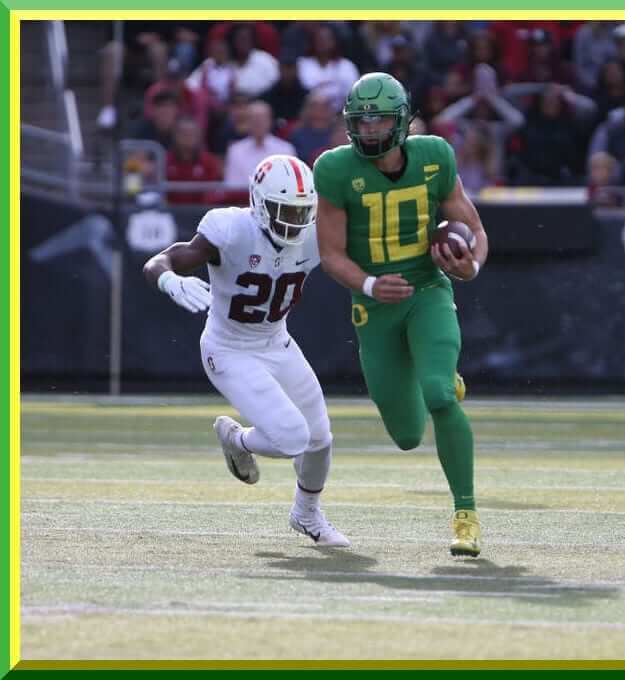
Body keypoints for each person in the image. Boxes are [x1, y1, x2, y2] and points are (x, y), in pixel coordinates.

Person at [313, 73, 489, 558]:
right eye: (361, 121)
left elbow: (472, 226)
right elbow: (330, 254)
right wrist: (370, 284)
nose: (369, 130)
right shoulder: (333, 168)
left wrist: (470, 267)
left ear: (403, 121)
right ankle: (441, 382)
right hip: (374, 304)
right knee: (408, 435)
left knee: (437, 394)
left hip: (427, 288)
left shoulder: (434, 156)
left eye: (380, 120)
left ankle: (466, 515)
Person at [141, 154, 349, 547]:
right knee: (291, 439)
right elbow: (161, 259)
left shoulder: (316, 233)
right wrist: (168, 279)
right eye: (283, 209)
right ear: (259, 203)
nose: (293, 220)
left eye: (301, 211)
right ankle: (237, 440)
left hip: (277, 342)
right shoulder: (232, 229)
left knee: (320, 438)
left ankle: (306, 514)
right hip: (229, 349)